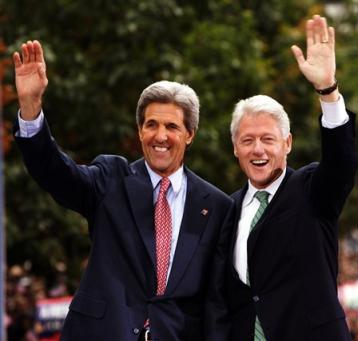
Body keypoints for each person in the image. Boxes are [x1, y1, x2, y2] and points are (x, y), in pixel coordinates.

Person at [13, 40, 233, 341]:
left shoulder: (217, 206)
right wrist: (30, 107)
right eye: (151, 124)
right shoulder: (110, 179)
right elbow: (57, 174)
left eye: (172, 127)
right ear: (140, 130)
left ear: (190, 134)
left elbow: (216, 299)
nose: (160, 136)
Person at [226, 14, 358, 341]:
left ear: (287, 144)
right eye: (247, 140)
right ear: (235, 148)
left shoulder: (311, 189)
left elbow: (341, 163)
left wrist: (327, 91)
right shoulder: (224, 209)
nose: (258, 149)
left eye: (268, 139)